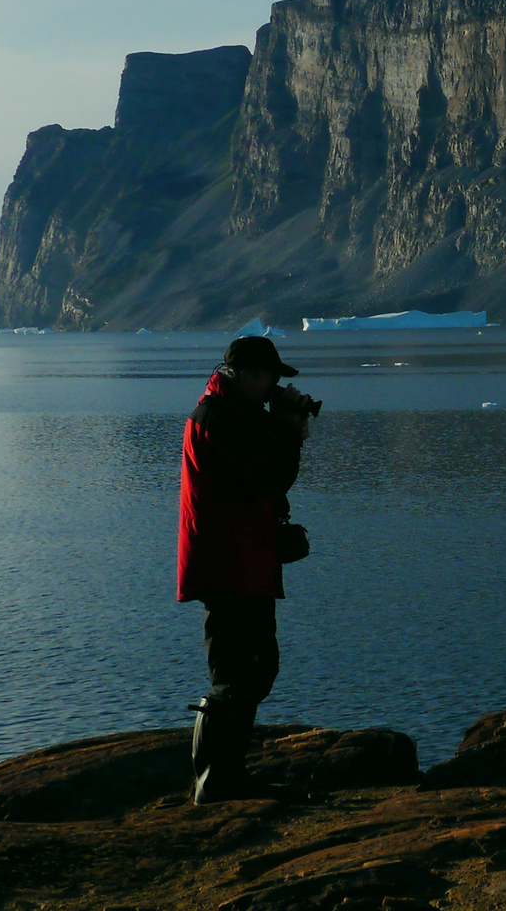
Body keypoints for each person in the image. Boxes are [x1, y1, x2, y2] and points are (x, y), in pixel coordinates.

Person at [177, 336, 311, 804]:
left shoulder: (233, 415)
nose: (275, 385)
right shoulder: (218, 418)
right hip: (228, 561)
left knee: (253, 667)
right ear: (248, 375)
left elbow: (268, 478)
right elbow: (267, 478)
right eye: (271, 378)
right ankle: (215, 779)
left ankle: (224, 774)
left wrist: (282, 427)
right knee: (238, 671)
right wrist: (288, 428)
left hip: (241, 558)